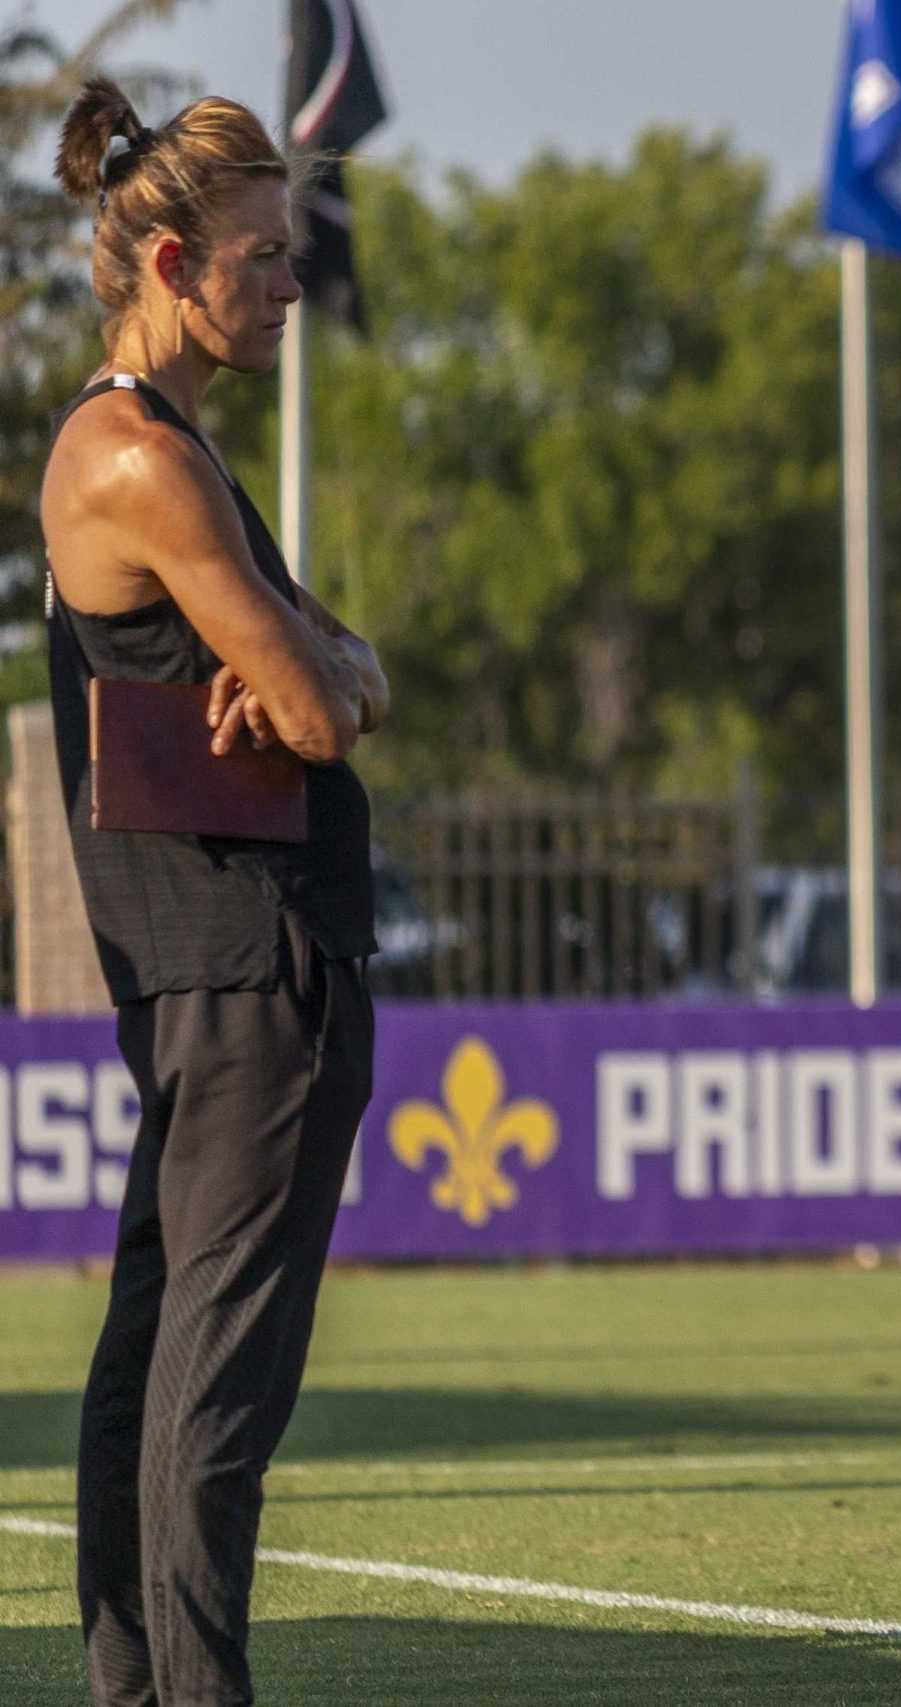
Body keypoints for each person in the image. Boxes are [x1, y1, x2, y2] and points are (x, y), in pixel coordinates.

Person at [42, 79, 387, 1707]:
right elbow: (325, 709)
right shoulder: (140, 464)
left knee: (162, 1353)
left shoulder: (165, 454)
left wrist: (314, 662)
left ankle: (139, 1684)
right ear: (172, 260)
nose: (291, 281)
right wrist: (311, 670)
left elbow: (353, 669)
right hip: (254, 974)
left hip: (216, 976)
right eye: (263, 253)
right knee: (214, 1382)